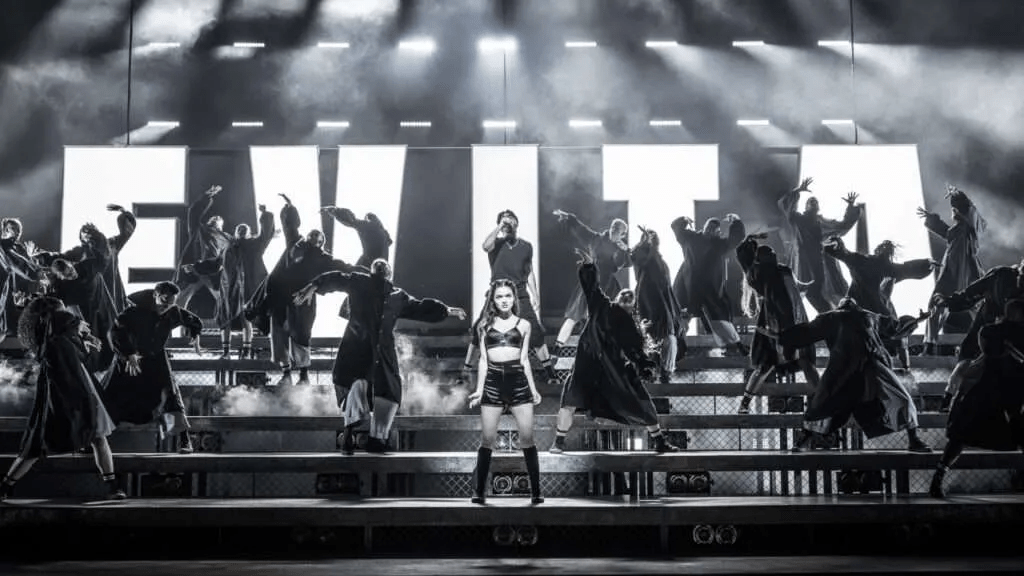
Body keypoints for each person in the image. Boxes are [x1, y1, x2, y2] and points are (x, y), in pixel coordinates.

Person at [293, 259, 466, 453]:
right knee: (360, 386)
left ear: (387, 273)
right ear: (377, 272)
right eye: (379, 265)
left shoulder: (395, 295)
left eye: (384, 265)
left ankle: (373, 437)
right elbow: (336, 278)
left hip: (377, 349)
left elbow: (421, 308)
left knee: (384, 390)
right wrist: (313, 285)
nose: (382, 267)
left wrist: (447, 310)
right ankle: (355, 434)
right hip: (360, 347)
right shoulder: (362, 283)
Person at [550, 251, 681, 455]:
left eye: (630, 297)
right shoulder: (602, 306)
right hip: (589, 367)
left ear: (632, 305)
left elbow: (635, 351)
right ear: (618, 298)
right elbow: (592, 287)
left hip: (614, 370)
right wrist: (589, 266)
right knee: (570, 401)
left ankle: (659, 441)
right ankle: (558, 442)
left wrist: (644, 366)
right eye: (624, 296)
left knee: (642, 401)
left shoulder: (629, 324)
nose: (627, 298)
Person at [0, 296, 126, 502]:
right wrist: (78, 328)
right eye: (63, 311)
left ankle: (112, 486)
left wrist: (84, 341)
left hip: (82, 388)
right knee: (37, 444)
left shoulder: (61, 337)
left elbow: (81, 358)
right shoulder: (50, 339)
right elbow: (66, 328)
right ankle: (4, 486)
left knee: (98, 436)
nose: (68, 314)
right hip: (63, 394)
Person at [766, 297, 932, 453]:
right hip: (854, 367)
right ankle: (805, 439)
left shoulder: (859, 317)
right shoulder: (851, 317)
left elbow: (807, 331)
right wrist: (917, 320)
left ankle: (914, 440)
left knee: (822, 401)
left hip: (863, 367)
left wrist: (780, 336)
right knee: (822, 401)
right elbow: (895, 327)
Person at [248, 195, 353, 387]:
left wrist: (363, 271)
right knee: (278, 335)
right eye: (311, 234)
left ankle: (304, 376)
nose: (312, 236)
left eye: (317, 236)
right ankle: (286, 373)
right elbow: (290, 227)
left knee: (301, 336)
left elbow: (342, 268)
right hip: (280, 298)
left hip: (303, 301)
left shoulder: (323, 258)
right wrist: (289, 207)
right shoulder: (295, 245)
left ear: (321, 242)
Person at [930, 299, 1024, 498]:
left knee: (963, 435)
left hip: (1011, 392)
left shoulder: (1006, 332)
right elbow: (990, 349)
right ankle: (938, 478)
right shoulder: (992, 331)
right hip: (988, 390)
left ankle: (938, 477)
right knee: (959, 435)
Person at [101, 282, 204, 453]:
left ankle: (183, 440)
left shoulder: (173, 312)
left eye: (171, 303)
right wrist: (129, 353)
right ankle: (93, 441)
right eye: (164, 300)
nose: (167, 306)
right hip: (130, 360)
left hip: (156, 359)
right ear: (155, 295)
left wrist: (195, 334)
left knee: (169, 395)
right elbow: (115, 332)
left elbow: (193, 320)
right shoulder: (133, 313)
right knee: (110, 396)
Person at [467, 278, 544, 504]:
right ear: (493, 299)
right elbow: (483, 360)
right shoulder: (483, 325)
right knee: (487, 440)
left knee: (527, 439)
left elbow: (525, 359)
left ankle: (536, 492)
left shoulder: (524, 325)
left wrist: (533, 389)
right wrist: (479, 389)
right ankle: (479, 492)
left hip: (518, 381)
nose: (504, 300)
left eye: (508, 296)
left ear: (514, 298)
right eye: (499, 296)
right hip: (493, 382)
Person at [462, 210, 558, 385]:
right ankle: (465, 374)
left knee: (535, 331)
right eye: (504, 221)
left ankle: (551, 374)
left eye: (510, 220)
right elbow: (485, 246)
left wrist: (535, 295)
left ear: (516, 223)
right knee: (479, 329)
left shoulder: (526, 246)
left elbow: (529, 272)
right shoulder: (496, 244)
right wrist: (500, 226)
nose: (508, 223)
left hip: (520, 294)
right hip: (497, 292)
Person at [735, 233, 819, 414]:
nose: (772, 255)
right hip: (779, 324)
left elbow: (797, 289)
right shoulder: (763, 273)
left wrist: (750, 240)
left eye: (772, 253)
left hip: (791, 323)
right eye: (768, 254)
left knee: (802, 363)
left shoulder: (778, 271)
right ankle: (744, 404)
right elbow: (744, 256)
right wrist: (750, 239)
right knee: (767, 365)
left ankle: (822, 399)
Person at [823, 237, 934, 369]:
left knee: (896, 336)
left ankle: (904, 367)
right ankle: (904, 367)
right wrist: (927, 264)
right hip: (869, 310)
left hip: (865, 310)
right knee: (895, 335)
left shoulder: (870, 263)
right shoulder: (885, 267)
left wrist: (835, 246)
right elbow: (908, 269)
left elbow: (844, 254)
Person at [931, 258, 1024, 411]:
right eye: (1022, 277)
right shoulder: (999, 276)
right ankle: (949, 399)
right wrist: (948, 302)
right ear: (1019, 271)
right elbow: (970, 294)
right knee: (964, 369)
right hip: (983, 336)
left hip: (1008, 346)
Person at [186, 204, 274, 359]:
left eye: (244, 229)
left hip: (247, 289)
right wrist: (195, 267)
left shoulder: (255, 246)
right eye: (239, 229)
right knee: (225, 319)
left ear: (248, 233)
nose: (242, 230)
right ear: (235, 233)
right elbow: (214, 264)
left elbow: (266, 234)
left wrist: (265, 215)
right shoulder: (228, 249)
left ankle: (246, 351)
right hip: (229, 289)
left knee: (246, 318)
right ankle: (226, 352)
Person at [776, 177, 863, 314]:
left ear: (818, 207)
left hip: (822, 262)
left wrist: (851, 207)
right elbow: (784, 206)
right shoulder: (798, 219)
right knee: (809, 292)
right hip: (804, 261)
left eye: (815, 202)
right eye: (811, 201)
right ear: (806, 206)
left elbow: (842, 226)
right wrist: (798, 190)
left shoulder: (823, 223)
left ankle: (834, 313)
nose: (813, 203)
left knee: (829, 292)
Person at [917, 185, 986, 355]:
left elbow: (953, 232)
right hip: (960, 272)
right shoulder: (962, 228)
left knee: (939, 304)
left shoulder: (965, 228)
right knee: (972, 307)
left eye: (953, 209)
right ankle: (931, 345)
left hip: (958, 273)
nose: (952, 212)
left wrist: (958, 197)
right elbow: (948, 234)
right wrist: (932, 220)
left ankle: (930, 345)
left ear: (957, 210)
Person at [40, 229, 119, 374]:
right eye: (68, 276)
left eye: (71, 270)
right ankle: (94, 369)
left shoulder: (88, 265)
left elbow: (104, 258)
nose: (72, 275)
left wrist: (95, 239)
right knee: (93, 343)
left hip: (101, 306)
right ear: (61, 277)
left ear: (71, 264)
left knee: (110, 336)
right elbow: (53, 304)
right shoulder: (60, 287)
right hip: (84, 314)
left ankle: (113, 366)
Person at [669, 213, 748, 355]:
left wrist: (736, 221)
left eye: (713, 230)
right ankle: (676, 349)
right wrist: (684, 220)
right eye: (708, 228)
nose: (710, 231)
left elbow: (736, 238)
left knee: (720, 319)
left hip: (708, 289)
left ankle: (736, 346)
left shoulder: (718, 244)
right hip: (690, 287)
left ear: (717, 232)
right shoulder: (690, 238)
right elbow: (676, 227)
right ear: (704, 227)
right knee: (682, 318)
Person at [551, 210, 630, 346]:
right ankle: (556, 350)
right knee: (573, 317)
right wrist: (569, 217)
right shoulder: (596, 239)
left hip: (607, 286)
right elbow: (582, 229)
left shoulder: (621, 249)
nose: (614, 231)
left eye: (618, 230)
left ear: (623, 234)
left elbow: (619, 264)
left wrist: (624, 251)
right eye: (613, 227)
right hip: (590, 281)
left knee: (608, 319)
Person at [630, 226, 686, 382]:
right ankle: (648, 373)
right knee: (648, 337)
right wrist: (646, 243)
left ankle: (666, 372)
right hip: (647, 303)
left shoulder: (659, 261)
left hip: (663, 306)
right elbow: (638, 258)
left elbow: (666, 284)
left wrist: (675, 309)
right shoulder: (641, 259)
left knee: (670, 338)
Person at [63, 204, 137, 311]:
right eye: (85, 233)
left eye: (92, 231)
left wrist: (124, 214)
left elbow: (127, 232)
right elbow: (60, 261)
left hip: (115, 298)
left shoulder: (111, 246)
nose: (90, 235)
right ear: (82, 240)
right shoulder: (80, 256)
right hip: (96, 305)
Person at [175, 185, 232, 312]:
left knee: (225, 301)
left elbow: (243, 243)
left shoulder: (226, 238)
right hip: (195, 268)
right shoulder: (199, 230)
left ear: (221, 226)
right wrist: (206, 197)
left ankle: (227, 322)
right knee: (181, 299)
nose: (216, 219)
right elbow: (193, 213)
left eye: (218, 220)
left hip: (213, 270)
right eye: (214, 218)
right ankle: (175, 321)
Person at [321, 206, 393, 267]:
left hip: (368, 263)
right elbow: (390, 242)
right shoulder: (383, 233)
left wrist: (334, 211)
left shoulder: (368, 226)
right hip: (381, 266)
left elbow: (351, 220)